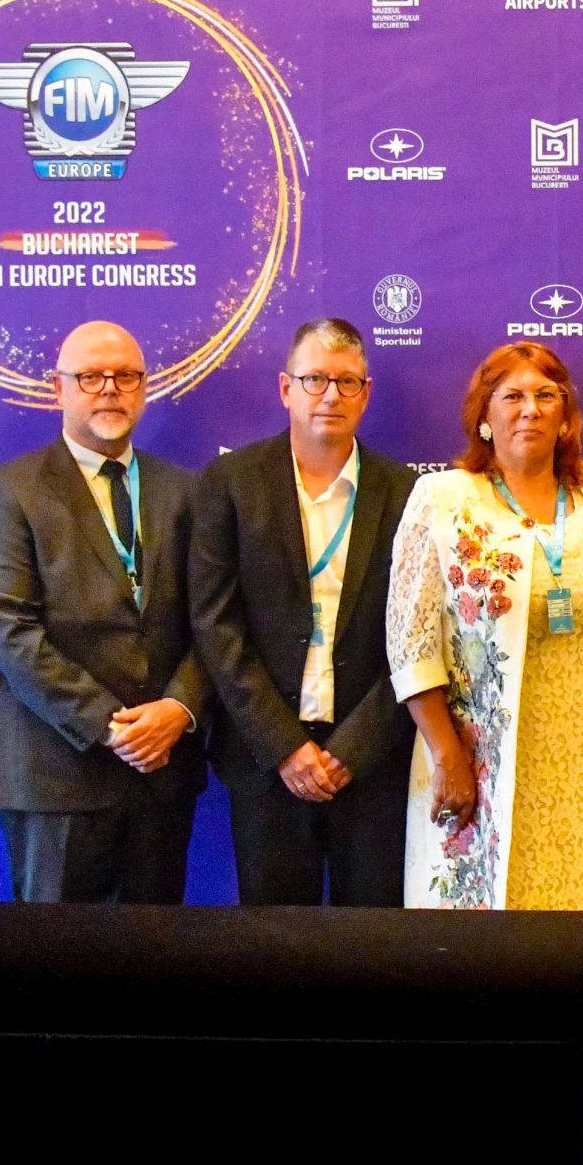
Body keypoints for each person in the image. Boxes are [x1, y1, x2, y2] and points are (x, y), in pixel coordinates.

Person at [387, 342, 583, 909]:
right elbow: (410, 645)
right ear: (484, 416)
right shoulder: (443, 500)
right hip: (484, 764)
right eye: (512, 396)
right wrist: (448, 757)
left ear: (566, 416)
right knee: (492, 936)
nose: (530, 409)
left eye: (546, 395)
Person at [0, 321, 207, 902]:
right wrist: (113, 726)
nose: (110, 390)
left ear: (144, 387)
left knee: (156, 947)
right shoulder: (8, 489)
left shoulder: (186, 490)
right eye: (91, 377)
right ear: (58, 388)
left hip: (162, 776)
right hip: (57, 776)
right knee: (57, 951)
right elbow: (10, 632)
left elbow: (214, 621)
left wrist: (179, 707)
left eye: (125, 376)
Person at [191, 318, 419, 906]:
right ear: (285, 388)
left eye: (346, 382)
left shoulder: (406, 493)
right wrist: (284, 747)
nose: (330, 396)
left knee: (371, 941)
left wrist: (355, 750)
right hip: (264, 763)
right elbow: (217, 624)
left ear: (366, 393)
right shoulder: (231, 483)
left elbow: (419, 635)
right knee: (273, 940)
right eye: (314, 379)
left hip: (372, 764)